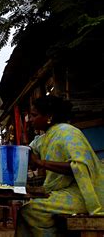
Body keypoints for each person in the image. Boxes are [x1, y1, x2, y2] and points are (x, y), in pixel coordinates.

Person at [16, 96, 104, 236]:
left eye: (34, 115)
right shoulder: (44, 138)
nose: (30, 120)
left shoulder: (68, 132)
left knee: (32, 211)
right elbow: (21, 154)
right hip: (63, 191)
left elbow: (81, 167)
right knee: (29, 208)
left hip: (85, 194)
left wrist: (40, 163)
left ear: (49, 116)